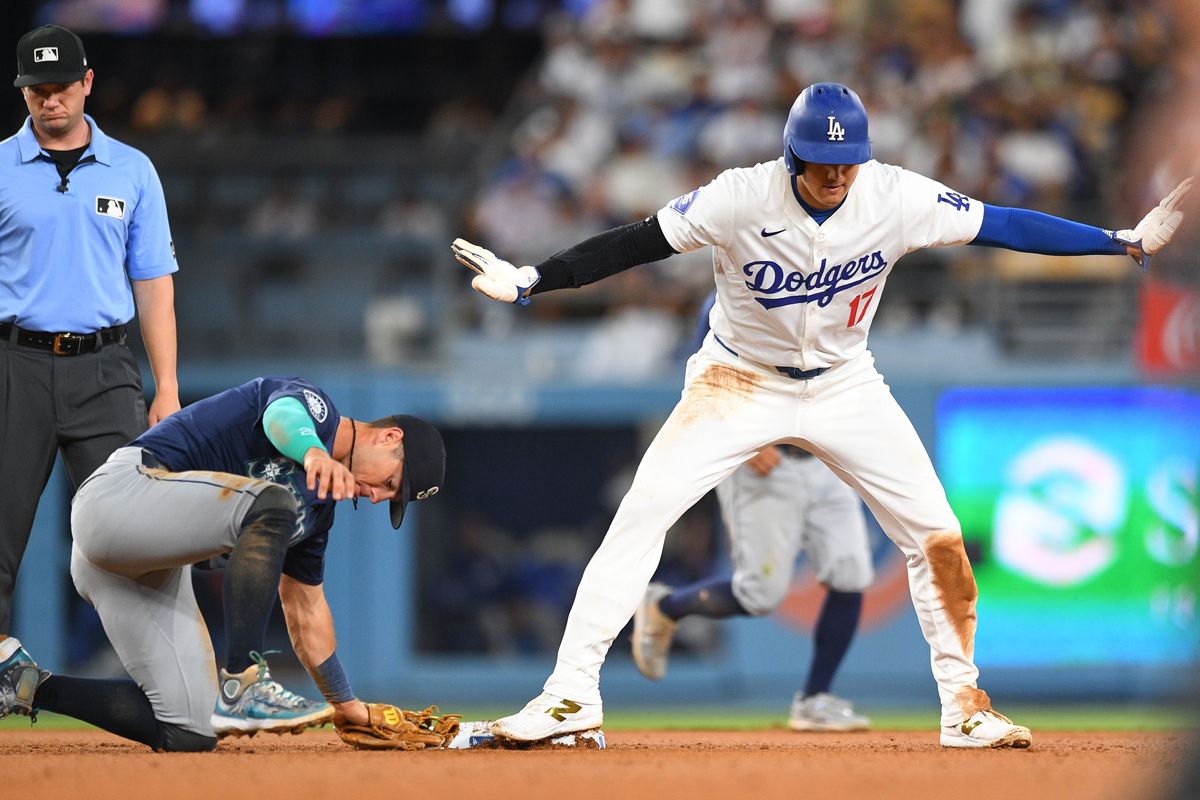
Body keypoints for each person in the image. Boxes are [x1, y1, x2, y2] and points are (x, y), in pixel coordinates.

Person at [451, 82, 1192, 749]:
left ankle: (965, 706)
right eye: (821, 161)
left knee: (935, 533)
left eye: (849, 162)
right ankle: (569, 697)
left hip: (845, 384)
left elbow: (1003, 224)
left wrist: (1114, 241)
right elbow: (635, 243)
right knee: (640, 518)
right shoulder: (739, 195)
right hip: (737, 380)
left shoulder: (894, 195)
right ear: (790, 155)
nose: (837, 174)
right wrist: (532, 279)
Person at [0, 377, 446, 752]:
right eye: (391, 483)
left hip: (133, 570)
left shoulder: (318, 514)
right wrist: (313, 452)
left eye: (391, 497)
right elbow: (281, 418)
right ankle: (245, 682)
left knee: (191, 730)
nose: (377, 496)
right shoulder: (317, 409)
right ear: (390, 437)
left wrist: (345, 704)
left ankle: (22, 683)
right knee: (273, 503)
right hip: (118, 498)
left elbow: (306, 611)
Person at [0, 24, 182, 645]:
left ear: (87, 84)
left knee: (138, 531)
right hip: (13, 364)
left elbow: (154, 284)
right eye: (37, 89)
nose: (51, 100)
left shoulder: (132, 169)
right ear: (22, 91)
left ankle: (173, 692)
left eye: (62, 87)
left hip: (104, 368)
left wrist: (168, 388)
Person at [632, 290, 873, 733]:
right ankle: (668, 605)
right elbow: (702, 382)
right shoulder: (724, 300)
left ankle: (816, 698)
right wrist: (746, 438)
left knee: (852, 573)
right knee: (760, 594)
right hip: (764, 462)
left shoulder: (835, 274)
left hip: (824, 457)